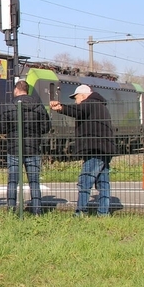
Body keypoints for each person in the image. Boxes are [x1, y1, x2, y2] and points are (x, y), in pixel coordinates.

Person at [51, 84, 116, 217]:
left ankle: (81, 211)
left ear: (83, 95)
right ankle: (103, 213)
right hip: (104, 149)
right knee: (103, 182)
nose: (76, 101)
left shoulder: (90, 103)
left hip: (95, 149)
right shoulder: (101, 106)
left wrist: (61, 108)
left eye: (76, 98)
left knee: (85, 180)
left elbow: (77, 110)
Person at [0, 80, 52, 215]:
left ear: (17, 89)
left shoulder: (9, 106)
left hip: (14, 148)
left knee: (12, 181)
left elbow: (2, 128)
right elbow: (46, 127)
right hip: (33, 148)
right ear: (27, 90)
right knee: (34, 181)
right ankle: (37, 210)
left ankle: (11, 210)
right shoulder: (38, 106)